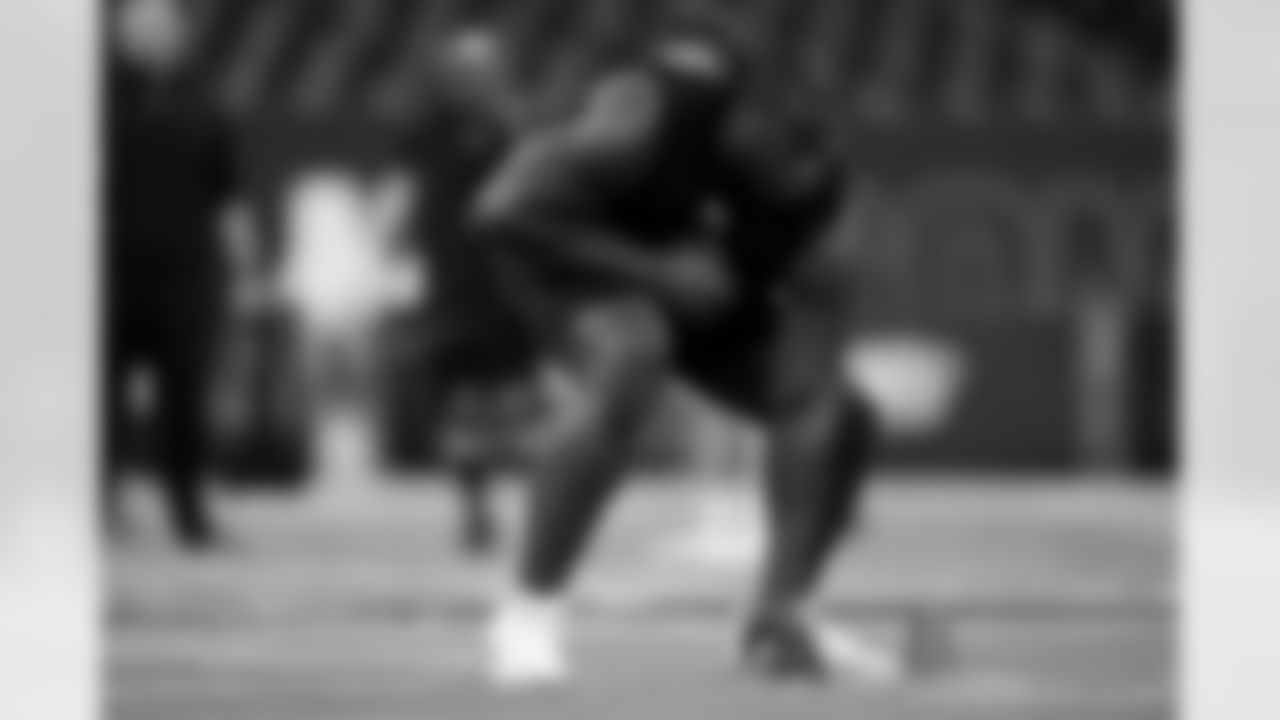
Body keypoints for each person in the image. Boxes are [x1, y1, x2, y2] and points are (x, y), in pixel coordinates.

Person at [472, 24, 892, 685]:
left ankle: (781, 620)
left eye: (792, 157)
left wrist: (784, 594)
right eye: (762, 136)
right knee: (634, 349)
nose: (772, 159)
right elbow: (503, 209)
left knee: (849, 419)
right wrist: (655, 271)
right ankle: (528, 613)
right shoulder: (643, 119)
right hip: (564, 251)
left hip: (699, 289)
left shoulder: (821, 230)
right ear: (737, 111)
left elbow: (805, 405)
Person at [104, 0, 242, 550]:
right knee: (97, 398)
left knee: (185, 394)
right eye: (139, 27)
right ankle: (99, 506)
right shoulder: (89, 97)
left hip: (186, 269)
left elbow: (227, 192)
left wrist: (245, 267)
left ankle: (189, 511)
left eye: (163, 27)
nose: (152, 38)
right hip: (108, 268)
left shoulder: (204, 101)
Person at [396, 29, 539, 554]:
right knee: (462, 405)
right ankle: (474, 508)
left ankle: (535, 513)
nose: (474, 79)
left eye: (484, 68)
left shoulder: (516, 127)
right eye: (464, 68)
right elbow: (406, 197)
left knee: (515, 407)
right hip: (452, 285)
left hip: (508, 282)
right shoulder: (427, 130)